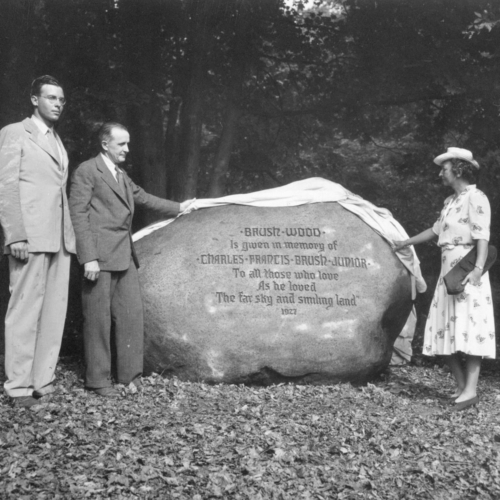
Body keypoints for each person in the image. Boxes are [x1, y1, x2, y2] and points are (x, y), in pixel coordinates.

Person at [69, 122, 193, 397]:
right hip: (99, 259)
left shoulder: (121, 174)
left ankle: (130, 376)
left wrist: (181, 208)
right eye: (121, 144)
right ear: (105, 144)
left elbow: (144, 198)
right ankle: (98, 381)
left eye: (128, 144)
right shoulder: (87, 170)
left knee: (131, 317)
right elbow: (78, 216)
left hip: (124, 256)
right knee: (97, 321)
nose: (127, 149)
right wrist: (88, 258)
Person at [394, 147, 495, 411]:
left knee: (471, 329)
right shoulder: (450, 201)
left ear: (458, 169)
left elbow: (482, 235)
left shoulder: (476, 197)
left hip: (468, 268)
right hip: (446, 271)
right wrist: (406, 242)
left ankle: (471, 390)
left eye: (444, 168)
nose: (440, 173)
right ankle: (463, 388)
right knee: (442, 329)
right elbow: (435, 230)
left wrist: (477, 269)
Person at [0, 75, 75, 408]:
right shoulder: (16, 132)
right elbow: (6, 187)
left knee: (53, 312)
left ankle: (41, 380)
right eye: (51, 98)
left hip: (59, 237)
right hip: (28, 237)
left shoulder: (57, 140)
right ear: (34, 100)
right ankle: (17, 386)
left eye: (61, 99)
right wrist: (14, 233)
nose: (57, 104)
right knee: (25, 311)